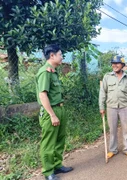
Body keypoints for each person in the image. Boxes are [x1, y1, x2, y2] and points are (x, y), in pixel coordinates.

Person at [36, 44, 73, 180]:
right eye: (60, 55)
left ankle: (57, 165)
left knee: (59, 139)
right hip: (50, 111)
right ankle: (48, 172)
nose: (62, 57)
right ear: (52, 55)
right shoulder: (45, 72)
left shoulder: (53, 71)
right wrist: (52, 115)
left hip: (59, 108)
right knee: (49, 142)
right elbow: (42, 95)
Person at [99, 55, 127, 159]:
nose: (114, 65)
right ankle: (112, 150)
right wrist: (101, 106)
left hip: (124, 107)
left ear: (122, 65)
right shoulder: (107, 77)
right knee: (112, 130)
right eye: (113, 63)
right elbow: (102, 92)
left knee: (126, 130)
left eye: (117, 63)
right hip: (111, 107)